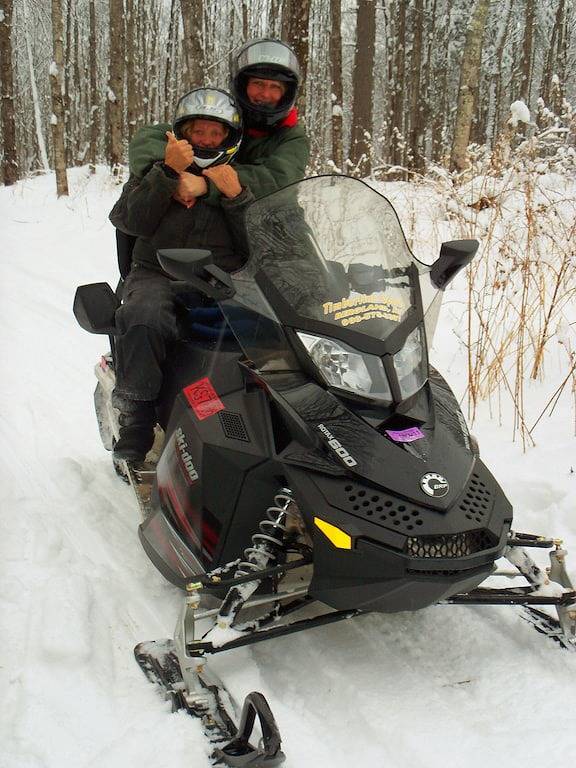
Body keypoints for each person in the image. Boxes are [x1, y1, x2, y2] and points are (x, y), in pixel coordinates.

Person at [109, 88, 252, 463]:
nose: (205, 140)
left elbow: (258, 243)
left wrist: (237, 199)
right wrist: (167, 173)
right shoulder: (157, 171)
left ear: (229, 139)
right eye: (198, 132)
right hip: (156, 271)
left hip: (220, 279)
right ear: (182, 134)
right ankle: (136, 418)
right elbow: (128, 220)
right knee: (146, 313)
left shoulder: (232, 182)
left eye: (214, 133)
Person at [128, 38, 309, 203]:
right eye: (258, 84)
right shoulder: (224, 118)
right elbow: (149, 141)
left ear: (287, 93)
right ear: (243, 86)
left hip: (272, 219)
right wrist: (171, 174)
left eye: (275, 87)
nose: (265, 94)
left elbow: (279, 179)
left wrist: (206, 184)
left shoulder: (292, 136)